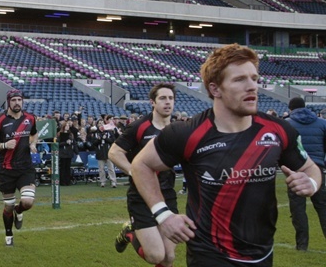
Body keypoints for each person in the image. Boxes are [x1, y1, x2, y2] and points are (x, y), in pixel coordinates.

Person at [131, 44, 322, 266]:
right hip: (209, 254)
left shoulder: (278, 130)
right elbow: (140, 165)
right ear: (215, 89)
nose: (252, 86)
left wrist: (310, 182)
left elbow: (310, 168)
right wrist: (163, 215)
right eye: (239, 79)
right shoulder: (187, 133)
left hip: (262, 253)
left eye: (254, 78)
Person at [109, 83, 177, 266]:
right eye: (163, 98)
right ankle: (129, 233)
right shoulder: (139, 127)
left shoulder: (177, 129)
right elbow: (114, 153)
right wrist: (135, 171)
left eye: (170, 98)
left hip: (167, 195)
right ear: (152, 102)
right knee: (155, 256)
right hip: (141, 197)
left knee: (169, 258)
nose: (167, 102)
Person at [0, 89, 38, 247]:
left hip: (25, 168)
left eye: (19, 100)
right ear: (8, 101)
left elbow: (34, 133)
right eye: (14, 100)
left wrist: (33, 143)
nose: (17, 103)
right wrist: (3, 145)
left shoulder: (30, 118)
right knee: (8, 206)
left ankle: (20, 210)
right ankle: (8, 235)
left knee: (28, 202)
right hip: (6, 169)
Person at [285, 96, 326, 251]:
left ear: (290, 109)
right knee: (322, 207)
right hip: (318, 169)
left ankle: (302, 245)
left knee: (298, 209)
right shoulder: (322, 123)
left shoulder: (287, 124)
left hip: (296, 170)